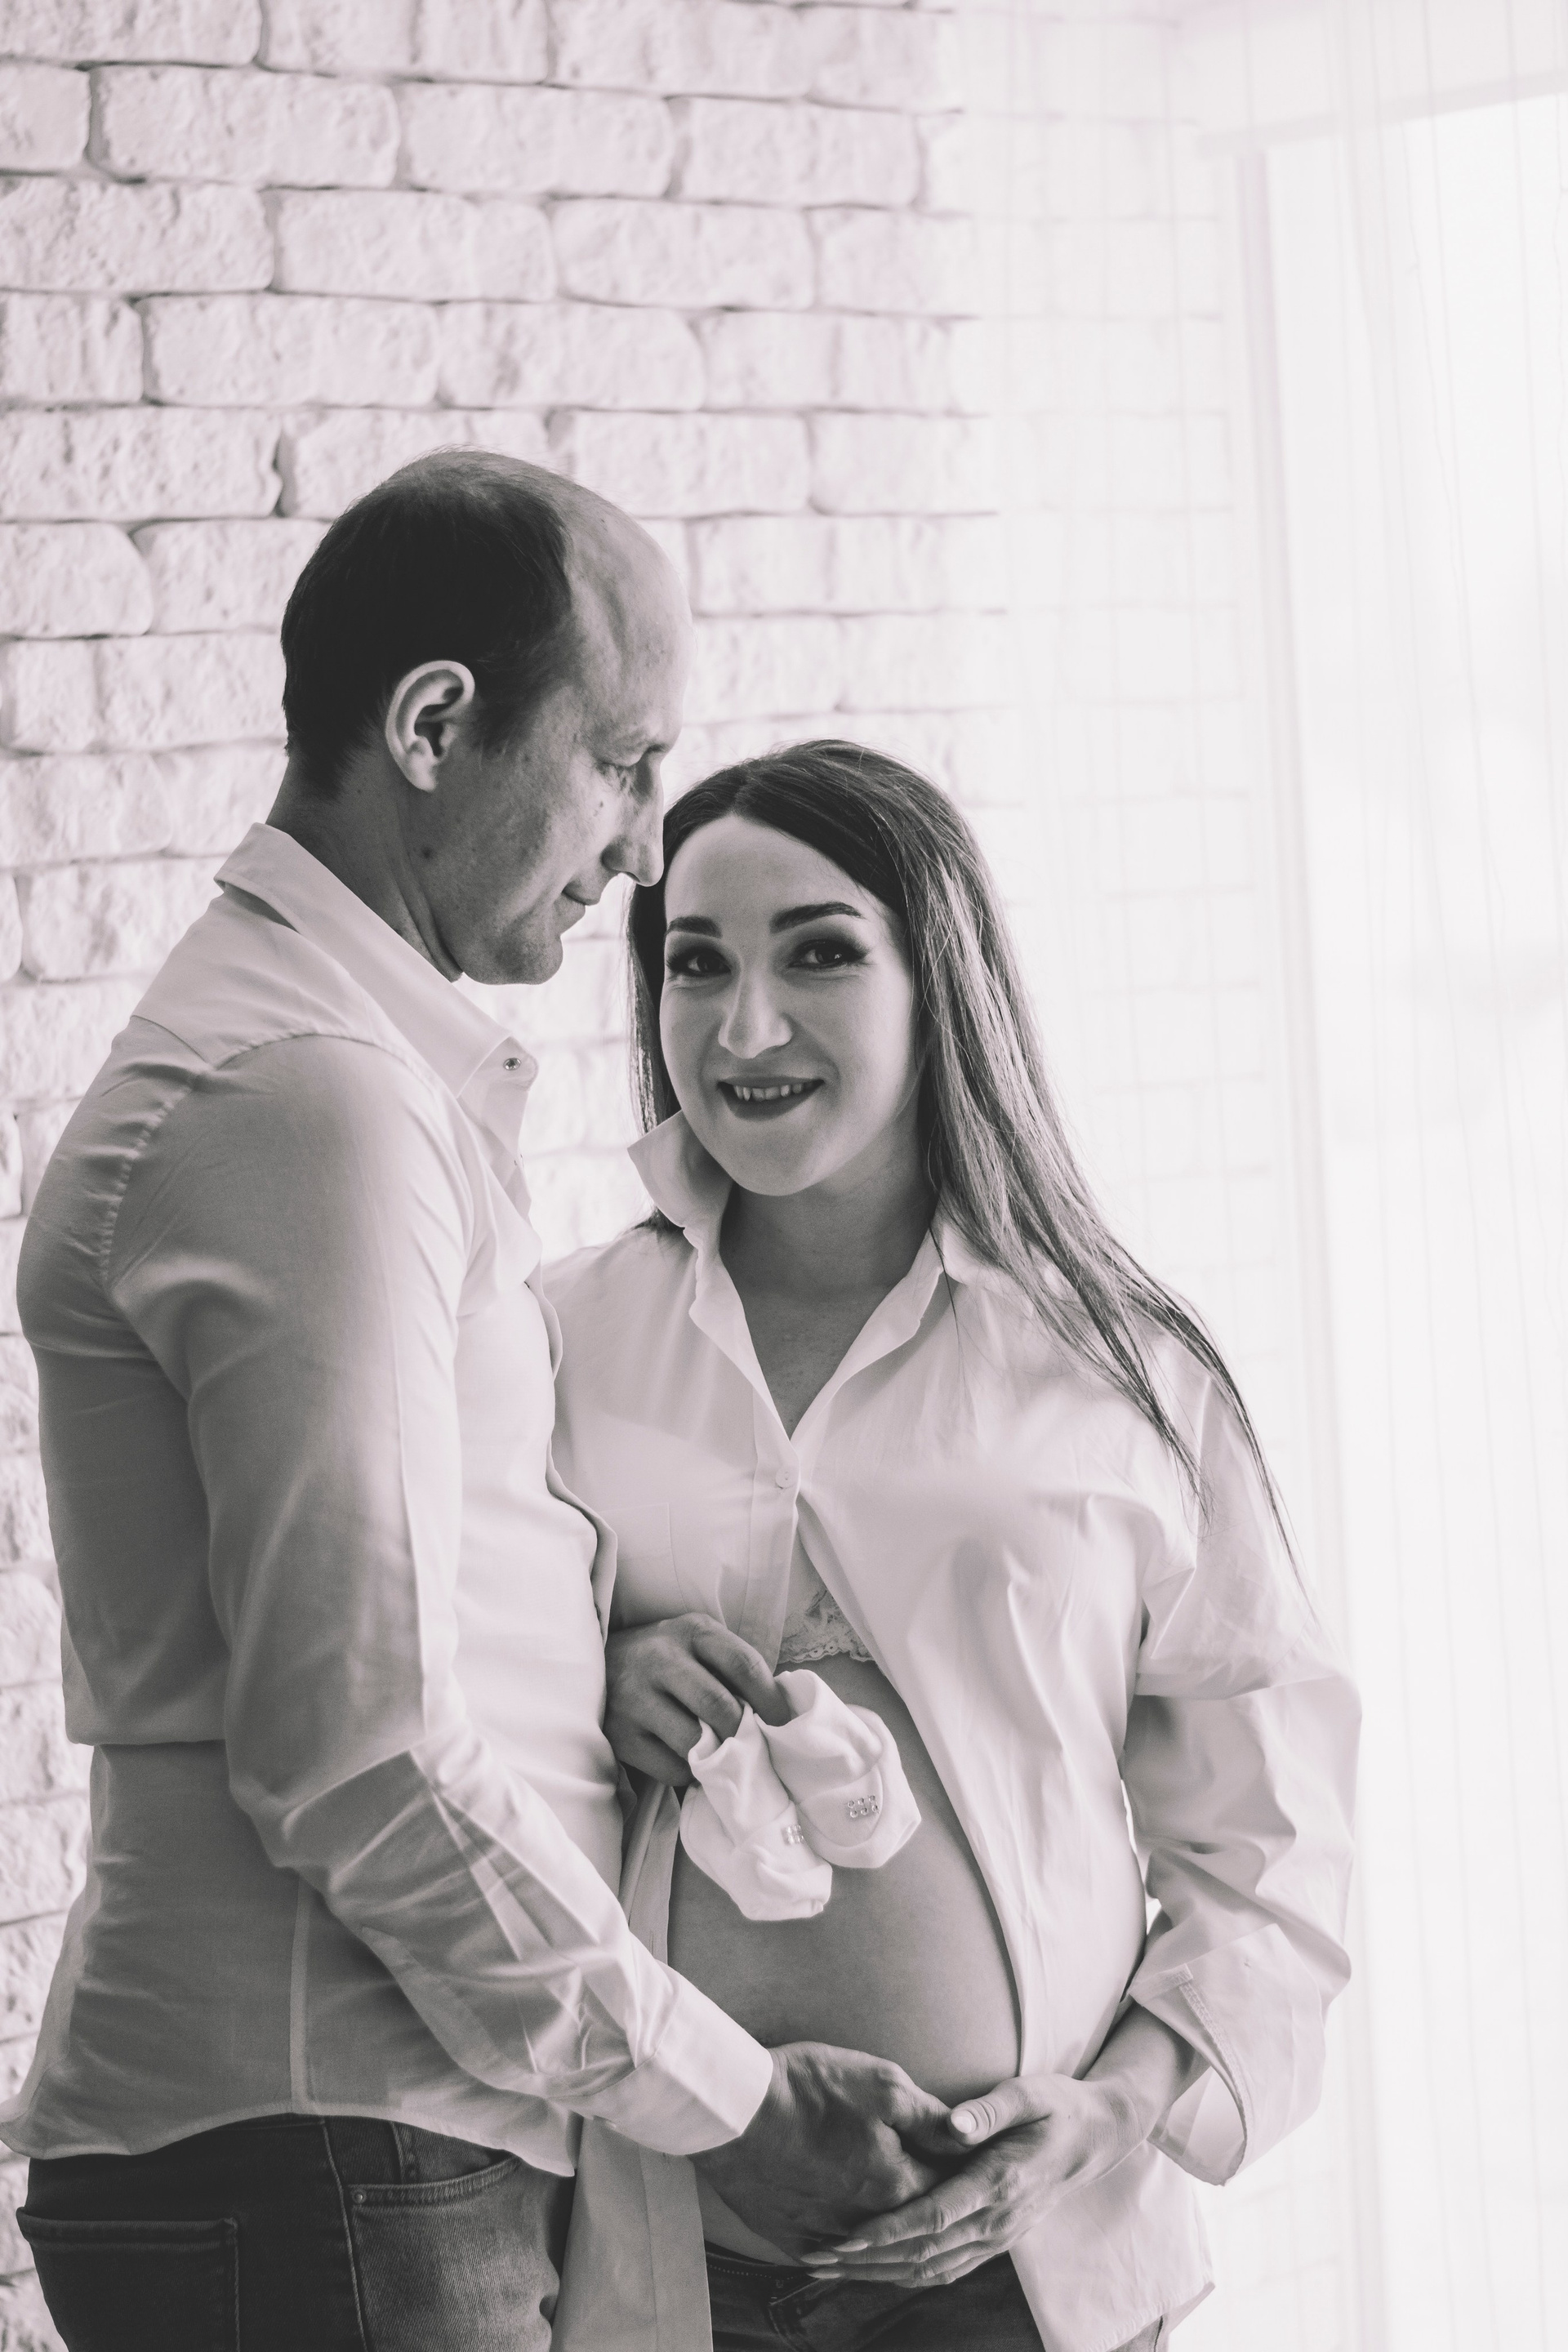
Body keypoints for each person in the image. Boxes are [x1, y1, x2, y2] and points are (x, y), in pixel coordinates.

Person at [2, 466, 949, 2352]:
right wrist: (730, 2105)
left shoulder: (332, 1074)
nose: (646, 847)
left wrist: (598, 1662)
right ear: (433, 726)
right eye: (621, 762)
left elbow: (353, 1639)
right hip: (334, 2159)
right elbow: (358, 1746)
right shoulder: (314, 1099)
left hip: (348, 2156)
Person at [546, 742, 1361, 2352]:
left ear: (943, 981)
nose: (744, 1028)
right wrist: (594, 1677)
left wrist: (1111, 2113)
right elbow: (432, 1721)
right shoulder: (558, 1341)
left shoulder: (1123, 1369)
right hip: (671, 2271)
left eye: (819, 954)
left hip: (1028, 2275)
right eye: (695, 963)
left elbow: (1270, 1850)